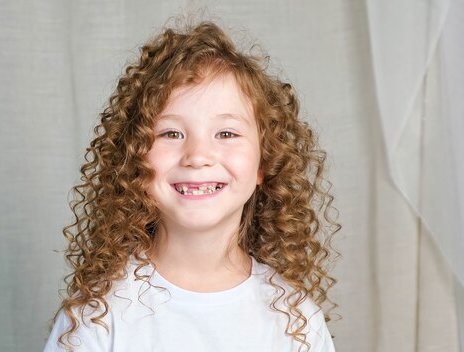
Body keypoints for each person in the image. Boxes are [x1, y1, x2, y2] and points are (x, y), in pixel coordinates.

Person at [44, 19, 340, 352]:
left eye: (226, 134)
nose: (197, 156)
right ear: (135, 159)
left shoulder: (296, 320)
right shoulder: (97, 316)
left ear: (265, 163)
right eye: (171, 134)